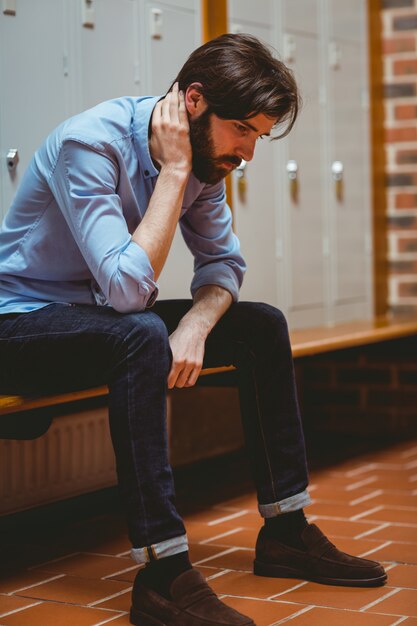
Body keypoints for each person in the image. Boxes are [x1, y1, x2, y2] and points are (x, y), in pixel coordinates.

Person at [0, 34, 386, 626]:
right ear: (195, 102)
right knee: (140, 333)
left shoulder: (210, 160)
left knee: (260, 325)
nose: (249, 153)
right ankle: (163, 573)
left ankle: (285, 529)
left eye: (258, 136)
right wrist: (175, 172)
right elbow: (128, 295)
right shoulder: (92, 143)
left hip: (100, 320)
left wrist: (197, 326)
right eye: (243, 130)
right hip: (21, 325)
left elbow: (224, 265)